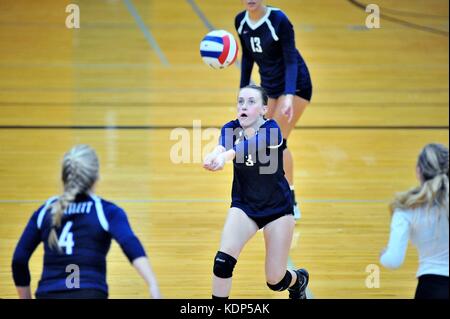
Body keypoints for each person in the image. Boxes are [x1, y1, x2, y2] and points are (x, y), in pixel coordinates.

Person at [11, 145, 161, 299]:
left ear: (63, 177)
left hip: (49, 293)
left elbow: (19, 260)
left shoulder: (45, 212)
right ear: (96, 178)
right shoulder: (106, 211)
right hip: (89, 293)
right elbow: (130, 243)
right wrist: (152, 283)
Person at [203, 85, 309, 299]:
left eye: (251, 102)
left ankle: (298, 281)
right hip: (245, 206)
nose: (244, 106)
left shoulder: (272, 130)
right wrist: (214, 155)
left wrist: (226, 156)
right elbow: (223, 145)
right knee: (222, 263)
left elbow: (252, 146)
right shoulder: (230, 128)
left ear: (263, 109)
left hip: (278, 210)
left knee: (275, 280)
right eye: (240, 101)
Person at [235, 0, 313, 219]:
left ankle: (289, 201)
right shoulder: (241, 22)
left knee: (277, 141)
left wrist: (288, 96)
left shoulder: (279, 20)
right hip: (269, 86)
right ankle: (268, 196)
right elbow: (248, 58)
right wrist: (243, 94)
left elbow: (290, 60)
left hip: (295, 84)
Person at [380, 143, 449, 299]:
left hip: (431, 290)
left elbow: (394, 260)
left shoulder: (407, 208)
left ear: (419, 171)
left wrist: (384, 256)